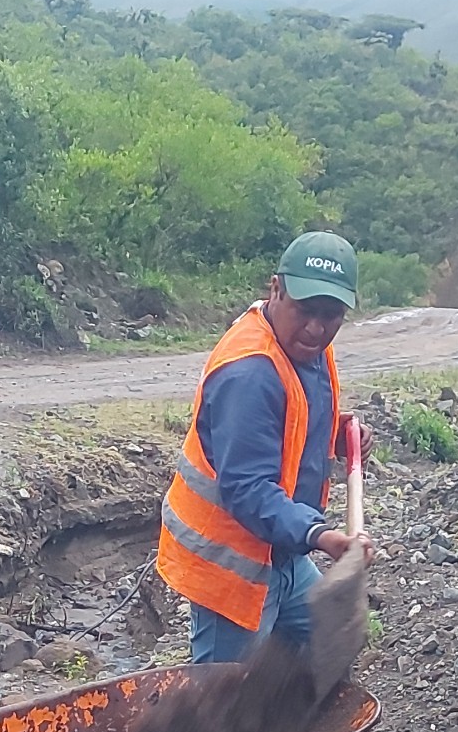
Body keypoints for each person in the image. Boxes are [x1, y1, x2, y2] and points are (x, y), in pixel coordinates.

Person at [157, 231, 371, 664]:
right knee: (222, 693)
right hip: (233, 561)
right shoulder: (250, 373)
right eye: (305, 310)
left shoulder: (304, 348)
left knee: (330, 642)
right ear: (276, 289)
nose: (316, 328)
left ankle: (294, 708)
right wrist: (319, 535)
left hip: (281, 551)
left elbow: (290, 416)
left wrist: (336, 434)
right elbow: (248, 488)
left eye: (331, 315)